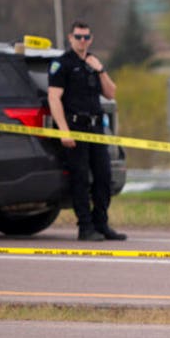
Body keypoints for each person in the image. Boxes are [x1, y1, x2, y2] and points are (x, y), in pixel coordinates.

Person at [47, 20, 125, 242]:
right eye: (78, 37)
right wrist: (64, 131)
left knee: (104, 177)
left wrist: (100, 69)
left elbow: (111, 93)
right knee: (80, 179)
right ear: (70, 38)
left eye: (86, 37)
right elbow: (54, 98)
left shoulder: (93, 63)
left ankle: (101, 224)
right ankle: (85, 227)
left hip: (96, 129)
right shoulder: (61, 64)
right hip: (75, 128)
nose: (82, 41)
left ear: (90, 39)